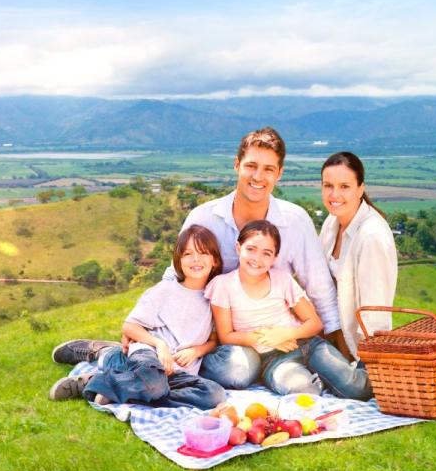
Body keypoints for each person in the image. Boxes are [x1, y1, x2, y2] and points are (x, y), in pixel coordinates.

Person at [166, 127, 341, 389]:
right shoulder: (203, 218)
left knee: (252, 368)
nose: (258, 177)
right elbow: (174, 278)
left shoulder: (295, 221)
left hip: (279, 339)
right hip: (216, 339)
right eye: (251, 166)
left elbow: (319, 288)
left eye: (269, 169)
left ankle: (274, 369)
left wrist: (341, 351)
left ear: (279, 174)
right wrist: (151, 334)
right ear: (237, 165)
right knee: (237, 371)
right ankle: (111, 355)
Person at [49, 225, 226, 411]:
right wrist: (159, 344)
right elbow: (130, 326)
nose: (196, 259)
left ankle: (121, 383)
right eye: (188, 253)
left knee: (214, 394)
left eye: (203, 253)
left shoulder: (214, 297)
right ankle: (94, 382)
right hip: (149, 357)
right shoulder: (165, 290)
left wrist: (196, 351)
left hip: (177, 372)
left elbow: (214, 339)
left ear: (214, 260)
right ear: (179, 259)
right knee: (153, 382)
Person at [206, 219, 366, 397]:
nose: (257, 259)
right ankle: (320, 380)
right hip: (274, 360)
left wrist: (286, 334)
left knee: (356, 389)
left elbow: (314, 323)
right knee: (305, 391)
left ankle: (379, 368)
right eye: (251, 249)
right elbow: (226, 336)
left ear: (275, 258)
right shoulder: (223, 285)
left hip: (309, 345)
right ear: (238, 248)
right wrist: (270, 339)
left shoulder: (282, 279)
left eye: (266, 253)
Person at [319, 151, 398, 364]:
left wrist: (368, 365)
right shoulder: (331, 223)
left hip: (358, 352)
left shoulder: (372, 236)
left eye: (344, 186)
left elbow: (375, 312)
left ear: (360, 189)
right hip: (331, 338)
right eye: (328, 186)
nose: (334, 195)